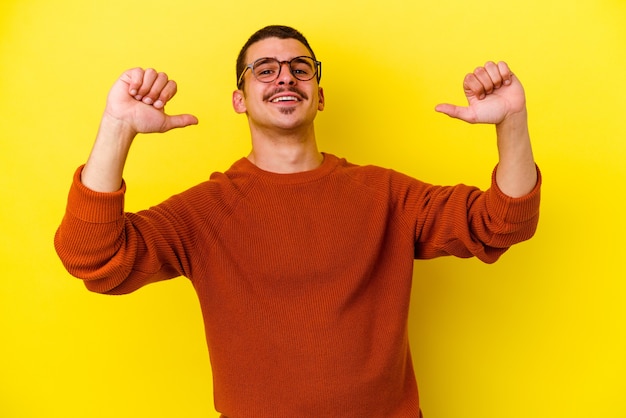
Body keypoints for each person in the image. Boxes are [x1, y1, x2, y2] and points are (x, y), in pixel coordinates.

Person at [55, 25, 540, 418]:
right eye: (264, 70)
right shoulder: (203, 213)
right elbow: (93, 258)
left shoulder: (386, 194)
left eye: (300, 69)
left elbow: (502, 223)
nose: (285, 78)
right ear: (240, 99)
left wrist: (512, 121)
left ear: (320, 96)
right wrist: (117, 129)